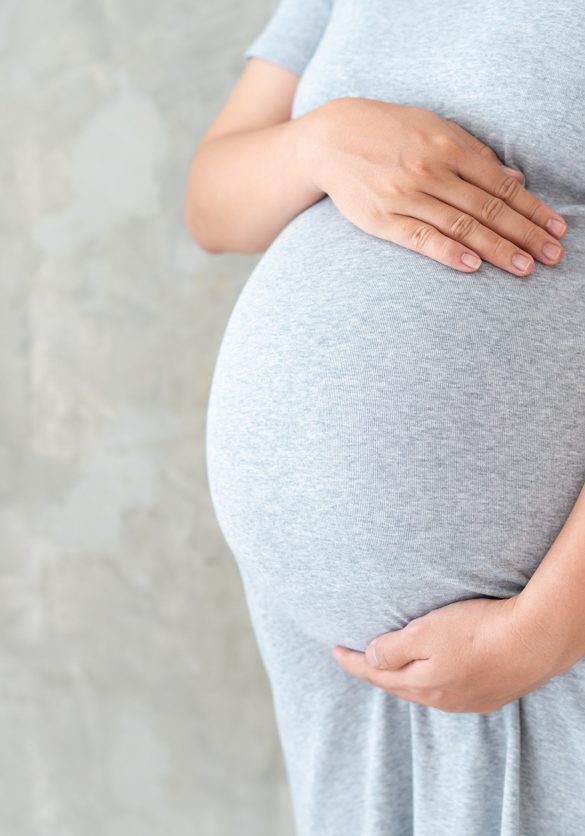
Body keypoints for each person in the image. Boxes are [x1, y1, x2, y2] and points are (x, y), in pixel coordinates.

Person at [186, 0, 585, 832]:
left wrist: (541, 632)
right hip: (329, 655)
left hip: (549, 616)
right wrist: (315, 141)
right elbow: (213, 205)